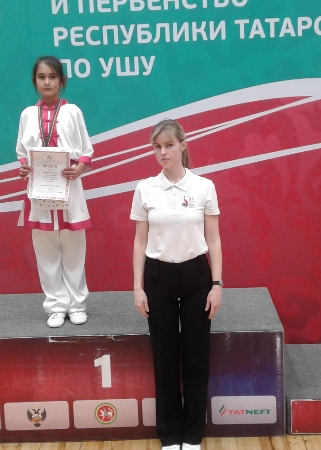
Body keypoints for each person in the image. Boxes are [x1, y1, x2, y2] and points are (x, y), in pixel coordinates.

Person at [131, 119, 223, 450]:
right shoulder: (145, 189)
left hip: (197, 277)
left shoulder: (204, 186)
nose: (163, 152)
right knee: (165, 357)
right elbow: (140, 241)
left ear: (183, 145)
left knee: (196, 357)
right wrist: (138, 287)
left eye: (169, 145)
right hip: (158, 278)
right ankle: (170, 435)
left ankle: (193, 433)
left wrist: (217, 284)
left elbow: (214, 239)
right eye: (157, 147)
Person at [15, 56, 94, 328]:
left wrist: (79, 169)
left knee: (74, 251)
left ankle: (77, 304)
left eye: (52, 77)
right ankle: (56, 306)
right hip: (40, 190)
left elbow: (86, 149)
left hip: (70, 187)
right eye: (41, 77)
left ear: (62, 81)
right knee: (46, 253)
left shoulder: (73, 112)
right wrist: (25, 168)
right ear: (34, 82)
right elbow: (21, 151)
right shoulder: (27, 115)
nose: (47, 82)